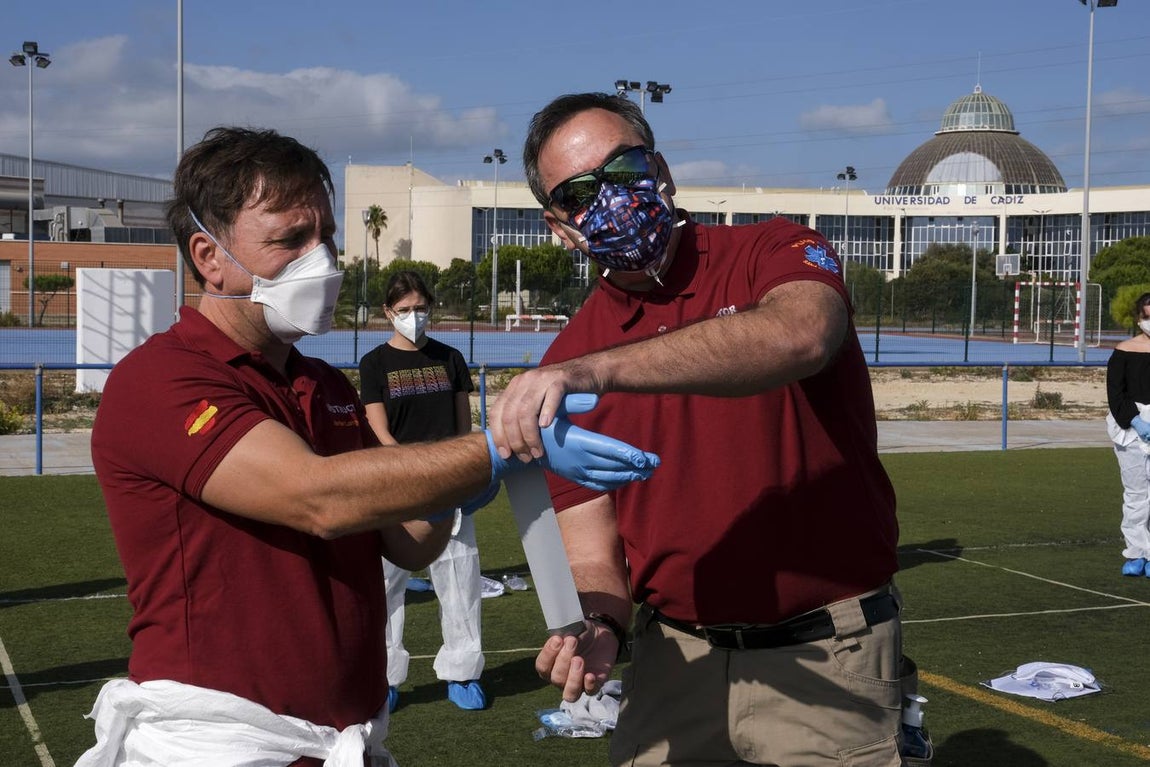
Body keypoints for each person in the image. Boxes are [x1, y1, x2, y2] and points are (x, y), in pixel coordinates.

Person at [79, 126, 657, 767]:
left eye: (324, 235)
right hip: (216, 739)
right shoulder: (161, 378)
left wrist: (468, 482)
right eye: (289, 240)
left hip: (337, 734)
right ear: (209, 257)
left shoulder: (321, 382)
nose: (320, 258)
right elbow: (318, 499)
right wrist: (496, 448)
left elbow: (407, 543)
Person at [489, 93, 903, 766]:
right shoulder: (568, 358)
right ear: (559, 226)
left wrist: (596, 372)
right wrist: (598, 625)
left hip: (827, 655)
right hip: (672, 662)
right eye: (580, 193)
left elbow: (801, 334)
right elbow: (594, 549)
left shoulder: (774, 247)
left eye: (623, 169)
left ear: (661, 170)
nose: (611, 198)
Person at [359, 270, 487, 712]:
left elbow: (462, 427)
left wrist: (454, 474)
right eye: (404, 310)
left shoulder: (450, 358)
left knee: (460, 582)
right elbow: (379, 432)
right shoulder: (374, 364)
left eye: (420, 308)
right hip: (397, 490)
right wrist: (414, 475)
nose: (414, 317)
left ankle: (463, 672)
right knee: (387, 587)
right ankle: (386, 678)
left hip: (448, 491)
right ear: (388, 313)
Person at [1105, 291, 1150, 577]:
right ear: (1139, 318)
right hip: (1131, 432)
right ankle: (1136, 554)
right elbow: (1115, 393)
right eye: (1148, 314)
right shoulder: (1123, 351)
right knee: (1135, 496)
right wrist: (1135, 421)